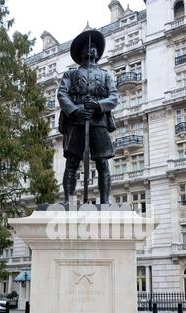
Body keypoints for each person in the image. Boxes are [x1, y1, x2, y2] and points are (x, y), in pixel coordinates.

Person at [57, 29, 118, 205]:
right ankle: (68, 200)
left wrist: (99, 105)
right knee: (72, 162)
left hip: (98, 120)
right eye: (87, 47)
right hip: (76, 120)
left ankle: (105, 201)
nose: (91, 49)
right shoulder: (70, 74)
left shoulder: (106, 75)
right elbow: (62, 94)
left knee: (102, 162)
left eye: (94, 47)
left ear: (98, 53)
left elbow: (114, 97)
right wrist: (75, 110)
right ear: (80, 52)